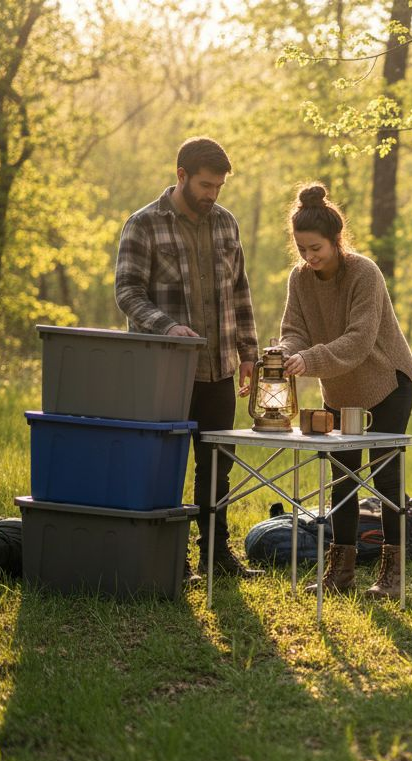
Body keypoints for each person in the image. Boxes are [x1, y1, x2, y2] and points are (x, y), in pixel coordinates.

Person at [115, 137, 263, 580]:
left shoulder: (226, 223)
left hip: (219, 368)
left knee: (217, 467)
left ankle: (216, 556)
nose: (212, 194)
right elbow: (127, 293)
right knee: (165, 467)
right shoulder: (143, 224)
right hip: (165, 370)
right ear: (180, 175)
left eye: (218, 186)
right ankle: (169, 559)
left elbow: (240, 291)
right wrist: (168, 328)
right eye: (204, 184)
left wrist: (250, 354)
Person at [278, 183, 412, 598]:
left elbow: (359, 340)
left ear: (336, 240)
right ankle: (341, 572)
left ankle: (393, 575)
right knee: (342, 479)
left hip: (386, 383)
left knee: (385, 477)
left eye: (316, 248)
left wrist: (312, 359)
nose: (309, 257)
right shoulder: (300, 279)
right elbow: (294, 330)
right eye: (302, 249)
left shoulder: (364, 273)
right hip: (339, 389)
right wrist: (285, 353)